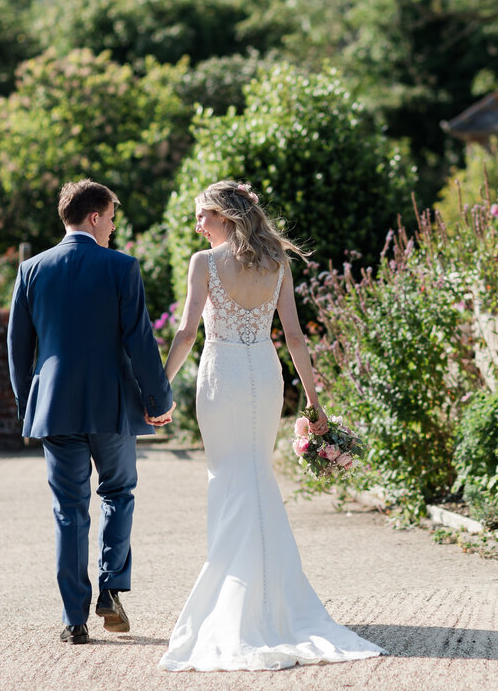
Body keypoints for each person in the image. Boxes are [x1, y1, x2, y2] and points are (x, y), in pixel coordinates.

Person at [158, 180, 384, 671]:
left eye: (203, 216)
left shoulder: (204, 262)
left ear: (225, 216)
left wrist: (160, 388)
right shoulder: (277, 261)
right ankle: (271, 600)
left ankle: (237, 599)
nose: (198, 226)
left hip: (221, 377)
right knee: (256, 475)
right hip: (264, 372)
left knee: (229, 478)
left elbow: (187, 331)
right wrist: (314, 401)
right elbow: (296, 338)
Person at [7, 179, 175, 646]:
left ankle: (73, 619)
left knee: (68, 511)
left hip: (55, 407)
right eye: (112, 218)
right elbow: (140, 340)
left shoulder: (32, 270)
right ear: (95, 217)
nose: (114, 228)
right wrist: (159, 401)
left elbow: (18, 349)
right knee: (118, 493)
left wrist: (29, 407)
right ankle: (111, 590)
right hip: (112, 406)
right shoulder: (121, 268)